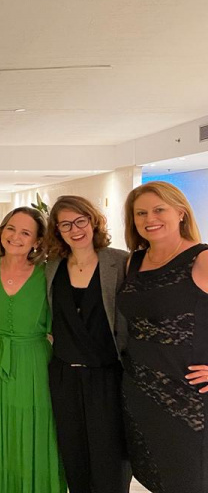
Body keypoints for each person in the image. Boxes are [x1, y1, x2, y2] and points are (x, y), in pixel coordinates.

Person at [117, 181, 208, 493]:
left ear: (181, 213)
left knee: (188, 480)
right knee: (154, 477)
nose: (149, 219)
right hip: (139, 389)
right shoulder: (133, 261)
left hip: (186, 394)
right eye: (141, 213)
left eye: (159, 210)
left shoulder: (202, 259)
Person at [0, 206, 65, 493]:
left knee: (36, 428)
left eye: (26, 232)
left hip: (35, 362)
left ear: (37, 240)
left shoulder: (48, 273)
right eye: (11, 228)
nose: (15, 237)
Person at [44, 196, 131, 492]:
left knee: (110, 461)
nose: (75, 229)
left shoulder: (120, 262)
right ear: (57, 230)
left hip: (107, 375)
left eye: (80, 221)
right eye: (66, 224)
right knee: (74, 458)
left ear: (93, 221)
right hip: (64, 375)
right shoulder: (52, 267)